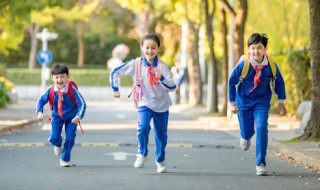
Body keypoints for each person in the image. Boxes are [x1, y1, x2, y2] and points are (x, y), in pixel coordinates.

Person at [110, 33, 176, 173]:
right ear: (142, 48)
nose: (150, 51)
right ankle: (142, 153)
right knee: (143, 127)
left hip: (161, 105)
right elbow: (115, 72)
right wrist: (115, 89)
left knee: (161, 134)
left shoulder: (162, 67)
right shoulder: (136, 64)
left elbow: (172, 86)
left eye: (153, 48)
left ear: (158, 48)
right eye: (147, 47)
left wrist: (162, 78)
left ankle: (160, 160)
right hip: (143, 102)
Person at [228, 33, 287, 176]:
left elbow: (279, 82)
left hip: (262, 101)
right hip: (244, 102)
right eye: (253, 48)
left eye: (259, 48)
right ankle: (245, 136)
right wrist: (232, 103)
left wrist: (281, 102)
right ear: (249, 49)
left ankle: (260, 163)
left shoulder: (270, 65)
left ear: (265, 48)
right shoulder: (244, 64)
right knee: (247, 132)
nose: (256, 51)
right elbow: (231, 82)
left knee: (261, 127)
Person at [36, 64, 86, 167]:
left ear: (67, 76)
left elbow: (82, 104)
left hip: (72, 118)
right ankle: (58, 143)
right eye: (57, 77)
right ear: (52, 78)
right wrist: (40, 112)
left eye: (62, 76)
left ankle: (64, 159)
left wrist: (78, 116)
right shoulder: (51, 90)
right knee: (53, 138)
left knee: (70, 138)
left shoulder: (72, 90)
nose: (59, 80)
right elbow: (41, 101)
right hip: (56, 116)